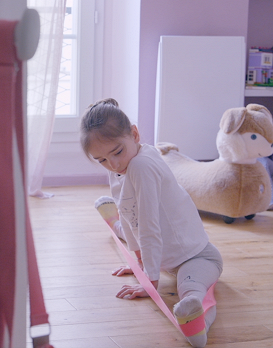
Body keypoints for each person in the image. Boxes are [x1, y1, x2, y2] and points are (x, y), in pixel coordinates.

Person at [82, 98, 223, 348]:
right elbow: (129, 213)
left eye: (116, 152)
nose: (113, 164)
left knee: (190, 287)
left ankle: (197, 325)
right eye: (102, 160)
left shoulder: (141, 166)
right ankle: (114, 224)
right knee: (127, 222)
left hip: (197, 257)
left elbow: (149, 226)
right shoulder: (121, 165)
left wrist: (150, 281)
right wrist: (138, 260)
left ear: (135, 134)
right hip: (166, 255)